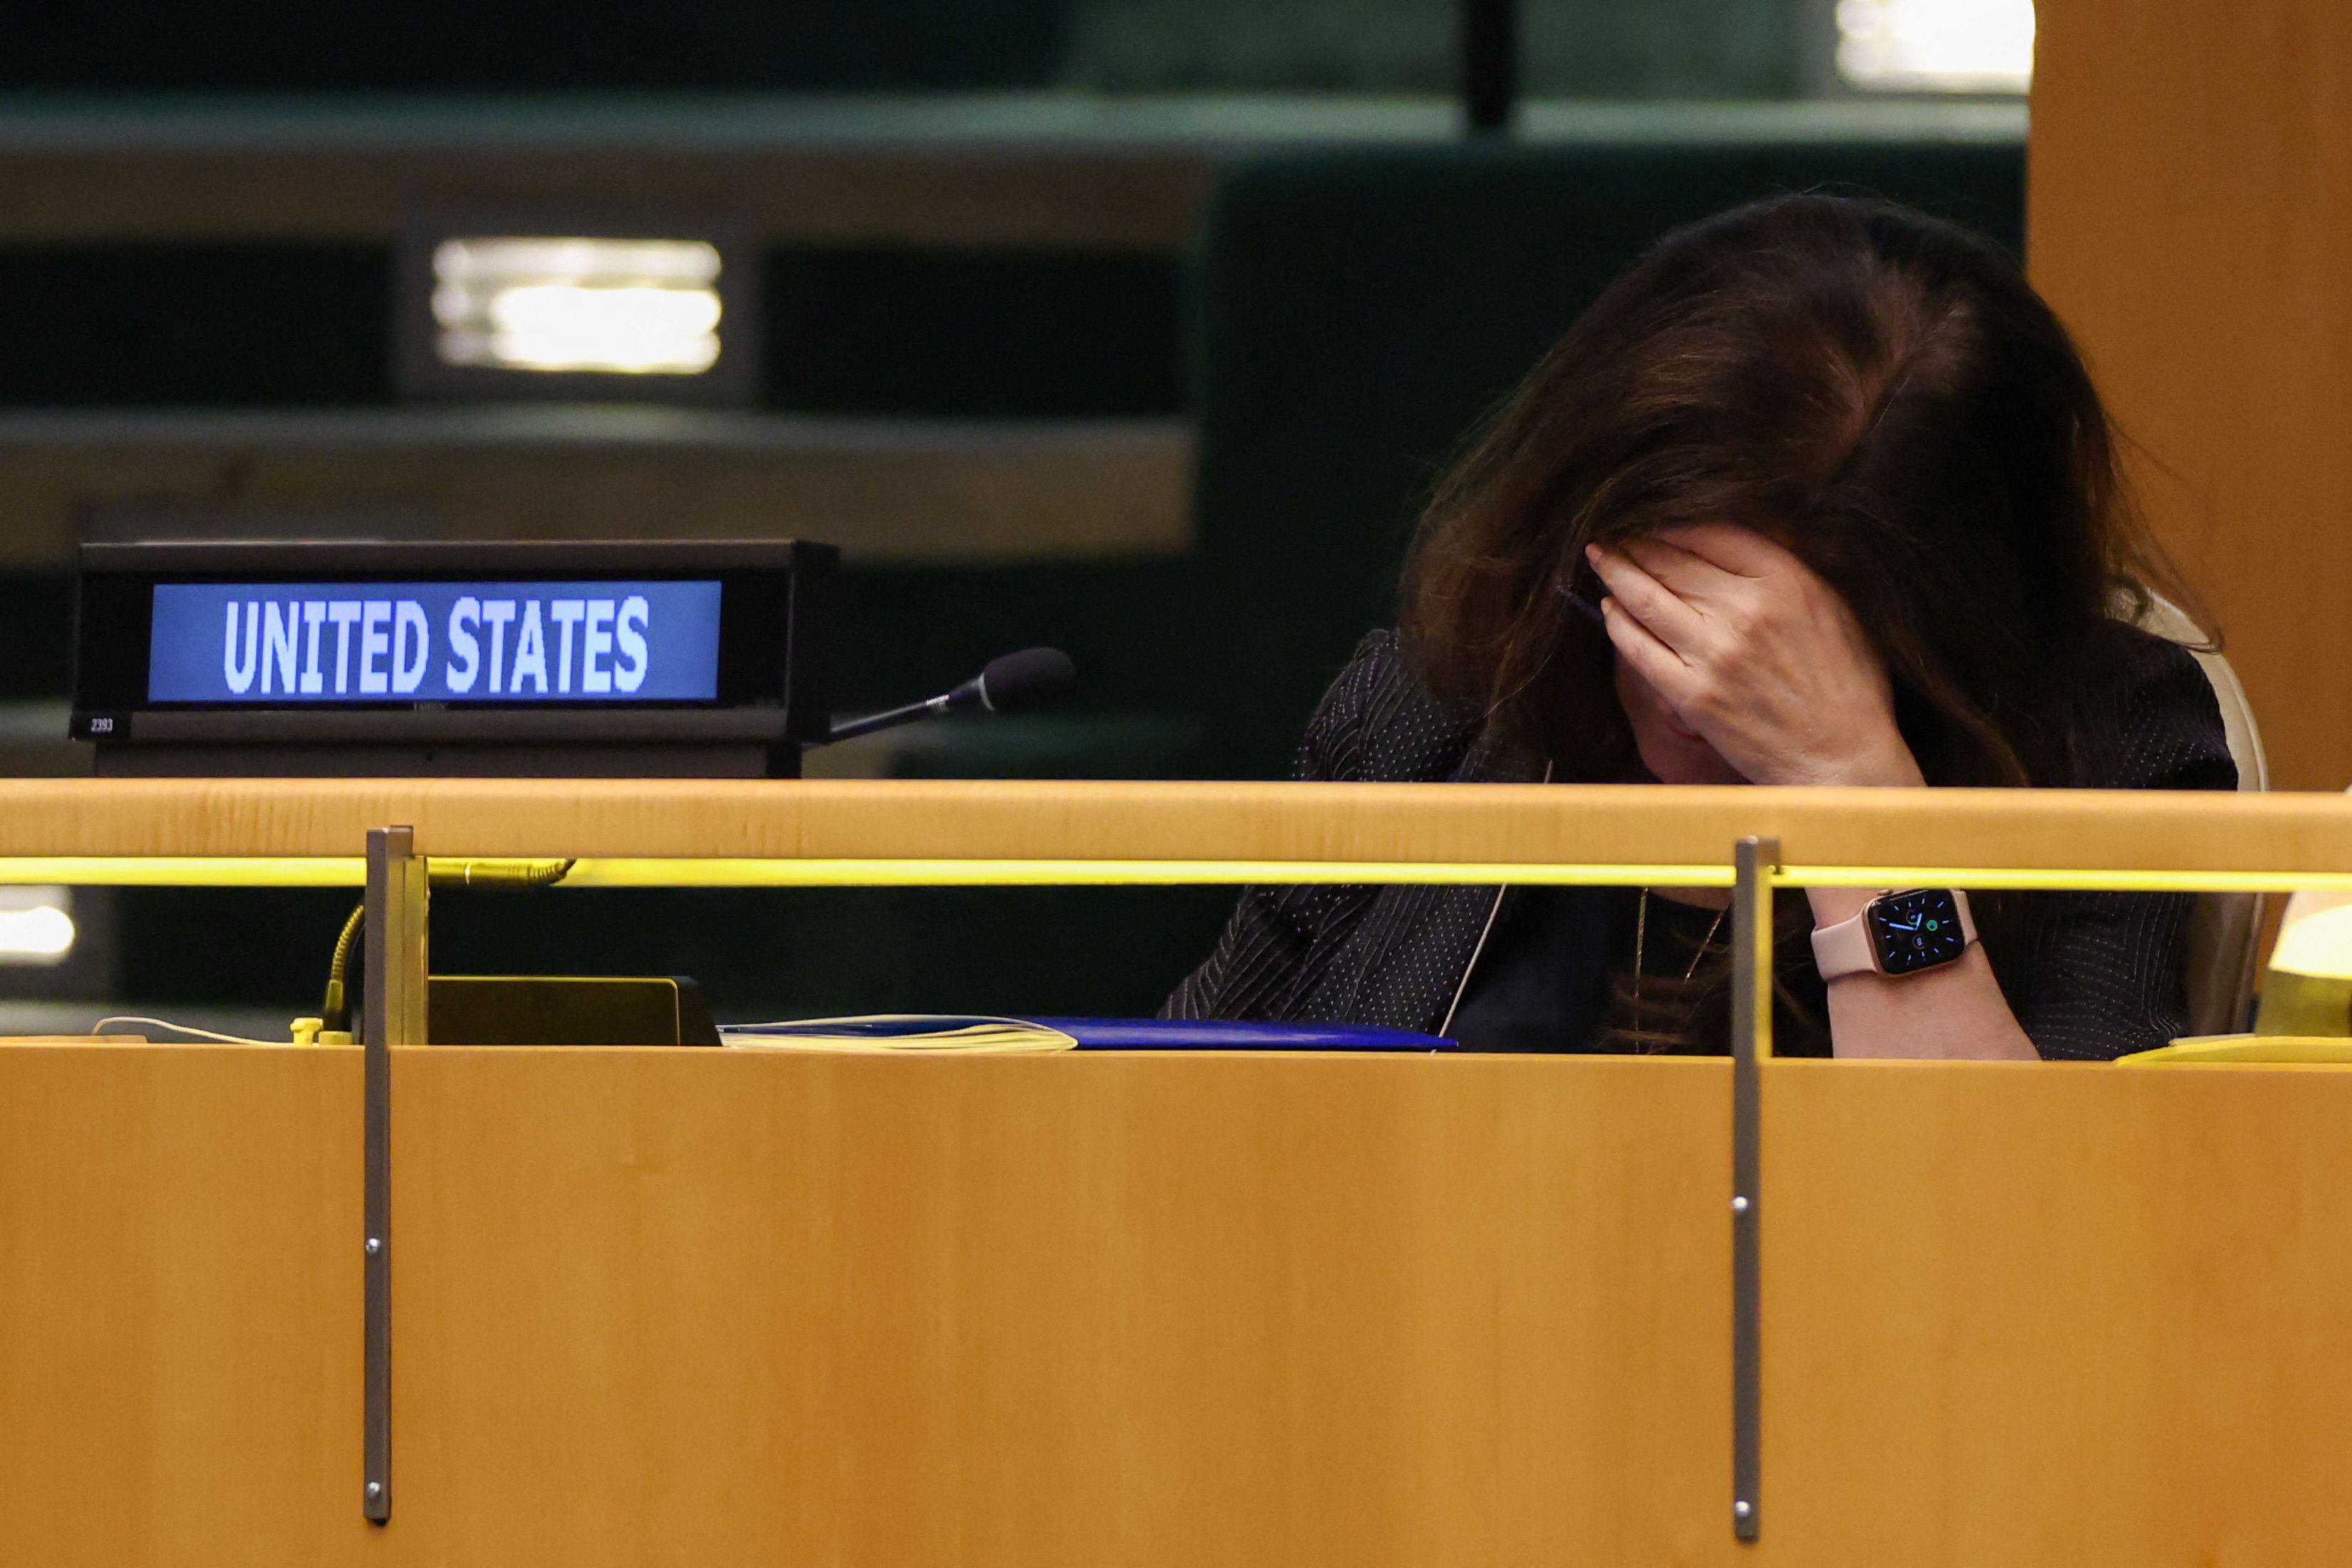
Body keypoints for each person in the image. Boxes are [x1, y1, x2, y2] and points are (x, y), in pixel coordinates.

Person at [1163, 194, 2236, 1061]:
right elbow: (1176, 1098)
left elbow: (2023, 1229)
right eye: (1661, 607)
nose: (1699, 690)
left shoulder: (2107, 740)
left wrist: (1850, 787)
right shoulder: (1438, 707)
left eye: (1794, 648)